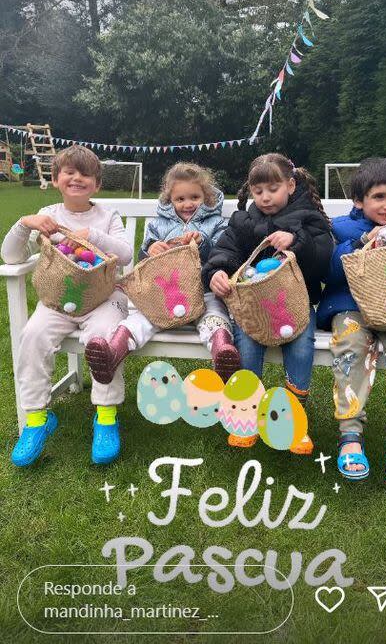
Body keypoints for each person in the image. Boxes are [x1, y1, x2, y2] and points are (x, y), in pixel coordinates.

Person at [1, 145, 133, 467]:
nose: (77, 178)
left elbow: (126, 255)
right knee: (32, 335)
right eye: (69, 172)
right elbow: (10, 257)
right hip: (58, 302)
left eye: (85, 173)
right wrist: (24, 223)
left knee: (103, 338)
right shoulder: (49, 215)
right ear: (57, 179)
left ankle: (105, 416)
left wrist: (93, 236)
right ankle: (36, 420)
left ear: (97, 185)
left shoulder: (107, 216)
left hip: (104, 299)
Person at [203, 153, 334, 452]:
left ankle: (293, 416)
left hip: (296, 305)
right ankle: (246, 414)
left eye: (272, 189)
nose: (265, 198)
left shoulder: (308, 218)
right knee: (247, 345)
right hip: (253, 309)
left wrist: (297, 241)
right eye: (258, 191)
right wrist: (217, 272)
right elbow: (225, 250)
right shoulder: (243, 221)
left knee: (301, 344)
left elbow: (323, 261)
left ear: (290, 185)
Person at [317, 157, 386, 486]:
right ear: (359, 201)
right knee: (350, 350)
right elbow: (328, 272)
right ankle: (350, 435)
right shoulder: (340, 228)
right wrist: (362, 242)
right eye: (379, 197)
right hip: (351, 307)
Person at [85, 162, 240, 386]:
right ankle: (112, 354)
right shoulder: (158, 225)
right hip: (163, 295)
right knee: (140, 319)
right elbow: (143, 261)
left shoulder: (215, 223)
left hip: (203, 294)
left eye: (194, 197)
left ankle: (222, 354)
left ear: (205, 197)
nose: (187, 204)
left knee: (215, 317)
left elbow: (222, 254)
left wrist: (202, 242)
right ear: (170, 200)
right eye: (180, 199)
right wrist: (150, 249)